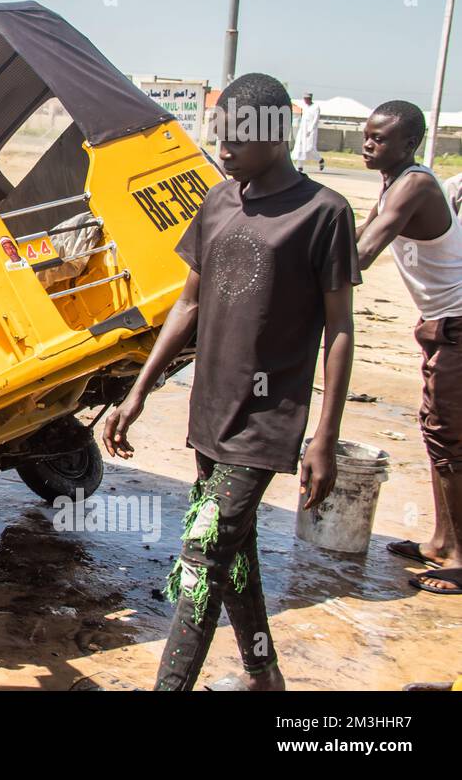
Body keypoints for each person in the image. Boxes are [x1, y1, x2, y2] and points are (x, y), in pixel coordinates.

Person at [103, 73, 358, 690]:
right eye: (219, 134)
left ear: (279, 134)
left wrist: (325, 437)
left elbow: (340, 330)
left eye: (239, 137)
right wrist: (138, 392)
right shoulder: (218, 202)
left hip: (268, 418)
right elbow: (187, 306)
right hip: (211, 411)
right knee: (232, 550)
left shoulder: (324, 213)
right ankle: (263, 673)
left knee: (202, 555)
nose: (224, 148)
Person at [355, 100, 462, 595]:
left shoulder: (416, 185)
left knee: (451, 440)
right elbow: (353, 238)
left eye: (380, 138)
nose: (368, 143)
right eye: (367, 134)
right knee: (436, 433)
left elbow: (363, 253)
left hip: (457, 323)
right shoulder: (392, 184)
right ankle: (441, 540)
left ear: (409, 144)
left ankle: (459, 556)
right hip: (439, 322)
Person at [292, 92, 324, 172]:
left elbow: (316, 119)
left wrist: (310, 129)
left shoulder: (316, 107)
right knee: (300, 147)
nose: (305, 100)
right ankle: (300, 167)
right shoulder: (305, 107)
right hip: (302, 129)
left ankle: (320, 160)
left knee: (309, 149)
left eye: (306, 98)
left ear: (309, 99)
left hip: (311, 130)